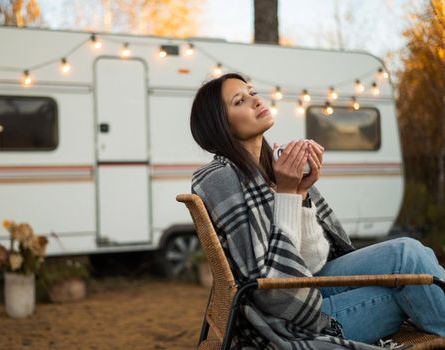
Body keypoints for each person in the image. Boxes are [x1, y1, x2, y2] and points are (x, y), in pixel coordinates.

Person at [189, 72, 445, 349]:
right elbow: (272, 291)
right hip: (287, 320)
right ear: (219, 125)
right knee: (407, 292)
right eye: (240, 100)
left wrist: (300, 195)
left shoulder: (270, 168)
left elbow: (312, 264)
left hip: (307, 288)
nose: (255, 100)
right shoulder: (221, 178)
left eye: (252, 92)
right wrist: (287, 193)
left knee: (409, 252)